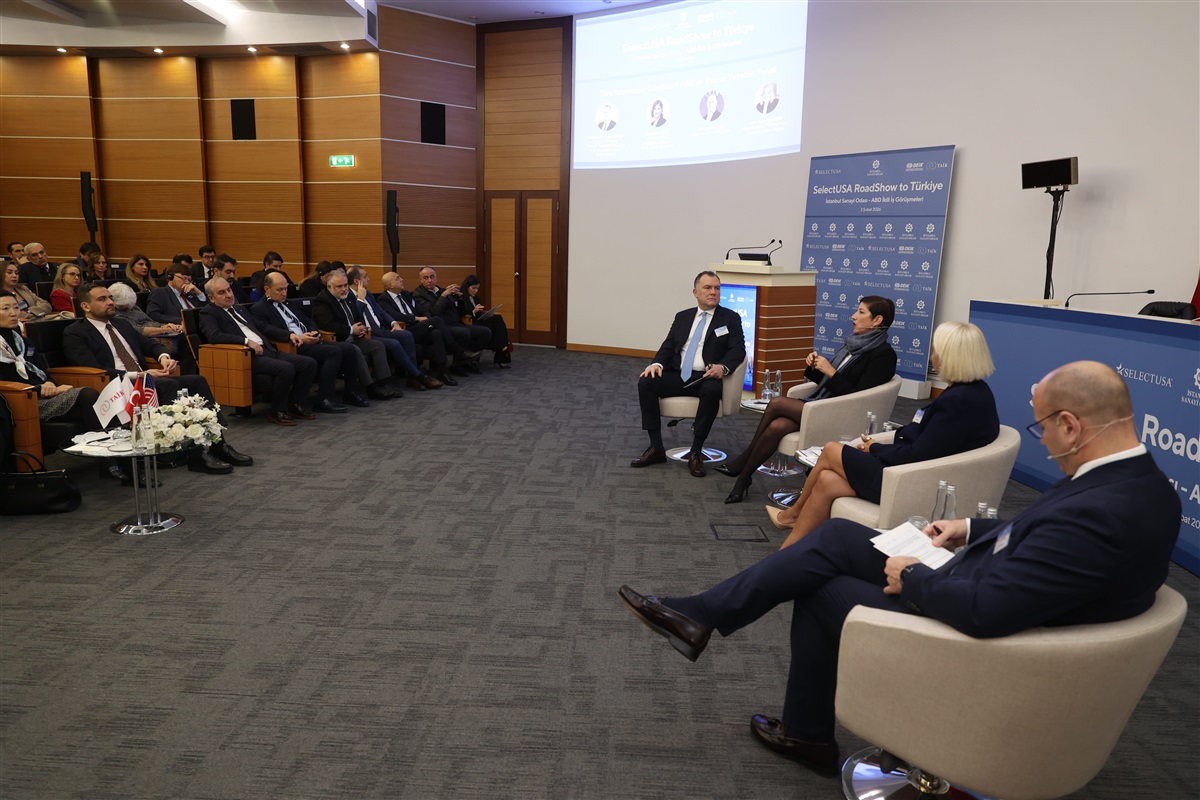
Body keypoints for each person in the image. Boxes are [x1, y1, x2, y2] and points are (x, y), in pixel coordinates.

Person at [618, 360, 1181, 777]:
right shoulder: (1140, 486)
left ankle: (805, 730)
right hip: (993, 586)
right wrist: (971, 528)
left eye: (1043, 430)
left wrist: (913, 577)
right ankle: (702, 614)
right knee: (838, 537)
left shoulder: (1100, 512)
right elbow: (1050, 538)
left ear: (1071, 426)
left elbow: (988, 612)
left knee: (822, 588)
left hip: (988, 641)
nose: (1046, 443)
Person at [770, 321, 999, 547]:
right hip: (912, 472)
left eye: (936, 352)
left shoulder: (957, 401)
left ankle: (793, 514)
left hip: (908, 481)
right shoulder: (974, 391)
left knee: (831, 450)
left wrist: (876, 449)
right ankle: (789, 552)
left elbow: (919, 454)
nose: (932, 357)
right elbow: (929, 442)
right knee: (827, 480)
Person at [715, 296, 897, 504]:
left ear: (877, 320)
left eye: (861, 312)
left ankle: (743, 460)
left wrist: (831, 372)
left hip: (842, 414)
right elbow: (828, 384)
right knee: (776, 426)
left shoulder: (884, 355)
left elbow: (859, 398)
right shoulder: (852, 345)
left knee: (776, 403)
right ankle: (743, 479)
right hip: (823, 405)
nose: (853, 316)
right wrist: (815, 367)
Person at [62, 282, 253, 475]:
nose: (110, 302)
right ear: (85, 306)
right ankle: (189, 454)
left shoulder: (121, 324)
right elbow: (93, 369)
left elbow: (150, 345)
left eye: (110, 297)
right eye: (102, 299)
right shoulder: (75, 332)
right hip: (117, 385)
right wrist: (140, 375)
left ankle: (218, 444)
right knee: (169, 385)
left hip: (145, 379)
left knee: (197, 381)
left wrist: (163, 358)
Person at [0, 290, 127, 479]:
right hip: (23, 401)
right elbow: (5, 383)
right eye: (5, 308)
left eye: (16, 307)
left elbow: (43, 372)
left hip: (47, 394)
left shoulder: (24, 342)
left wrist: (50, 384)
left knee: (98, 403)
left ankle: (116, 458)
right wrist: (39, 389)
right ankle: (112, 461)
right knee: (88, 395)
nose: (13, 313)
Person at [632, 270, 746, 478]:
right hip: (679, 374)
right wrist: (656, 363)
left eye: (717, 288)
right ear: (695, 292)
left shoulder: (730, 318)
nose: (713, 292)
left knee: (712, 390)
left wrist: (722, 367)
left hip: (705, 377)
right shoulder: (683, 317)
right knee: (646, 382)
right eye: (707, 288)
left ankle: (696, 451)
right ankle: (656, 447)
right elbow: (668, 346)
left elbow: (737, 350)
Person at [198, 276, 319, 427]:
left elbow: (262, 327)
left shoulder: (238, 308)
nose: (228, 295)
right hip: (245, 355)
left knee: (308, 363)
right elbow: (214, 336)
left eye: (229, 290)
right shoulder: (208, 313)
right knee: (286, 368)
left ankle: (295, 404)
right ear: (211, 298)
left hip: (267, 349)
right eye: (222, 292)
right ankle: (277, 411)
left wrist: (289, 335)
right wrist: (246, 342)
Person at [250, 269, 363, 412]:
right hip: (292, 345)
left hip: (309, 340)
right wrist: (292, 335)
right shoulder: (259, 309)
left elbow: (308, 320)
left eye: (286, 289)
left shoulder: (288, 303)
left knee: (349, 349)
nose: (284, 293)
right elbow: (266, 329)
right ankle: (323, 399)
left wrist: (313, 331)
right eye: (280, 290)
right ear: (267, 289)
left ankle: (350, 393)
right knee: (334, 352)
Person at [347, 266, 441, 391]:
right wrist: (360, 299)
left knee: (406, 335)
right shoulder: (348, 297)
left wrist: (393, 323)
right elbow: (354, 316)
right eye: (365, 277)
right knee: (394, 343)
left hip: (381, 330)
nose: (368, 279)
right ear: (357, 281)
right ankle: (419, 376)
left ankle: (412, 377)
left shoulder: (368, 294)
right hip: (367, 334)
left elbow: (381, 312)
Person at [311, 270, 398, 401]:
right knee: (355, 350)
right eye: (339, 286)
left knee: (378, 346)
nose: (344, 289)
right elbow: (327, 324)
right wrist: (352, 330)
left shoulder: (349, 296)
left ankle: (383, 384)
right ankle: (371, 388)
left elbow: (358, 315)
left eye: (345, 285)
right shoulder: (322, 300)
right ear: (329, 287)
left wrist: (361, 327)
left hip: (355, 337)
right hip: (338, 340)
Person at [378, 271, 461, 385]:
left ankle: (442, 371)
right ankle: (457, 350)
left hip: (419, 327)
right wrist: (416, 318)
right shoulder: (383, 299)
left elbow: (422, 309)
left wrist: (427, 319)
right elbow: (395, 316)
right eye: (397, 278)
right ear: (390, 285)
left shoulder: (406, 294)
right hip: (405, 330)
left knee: (436, 332)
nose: (402, 279)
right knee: (436, 320)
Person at [413, 267, 488, 372]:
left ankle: (470, 362)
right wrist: (443, 296)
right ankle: (458, 364)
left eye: (432, 277)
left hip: (455, 323)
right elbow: (433, 313)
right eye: (425, 278)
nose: (429, 280)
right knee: (464, 333)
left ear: (436, 277)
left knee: (485, 332)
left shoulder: (441, 290)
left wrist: (460, 297)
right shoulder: (418, 294)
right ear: (421, 280)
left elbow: (460, 311)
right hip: (441, 326)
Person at [457, 275, 512, 368]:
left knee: (497, 318)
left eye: (477, 288)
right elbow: (462, 314)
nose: (476, 291)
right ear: (467, 287)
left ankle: (503, 347)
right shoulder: (461, 298)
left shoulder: (475, 298)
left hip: (478, 320)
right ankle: (503, 349)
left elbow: (479, 314)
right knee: (494, 328)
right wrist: (473, 311)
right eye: (473, 288)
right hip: (469, 322)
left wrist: (485, 313)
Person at [109, 282, 182, 337]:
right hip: (149, 338)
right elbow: (139, 331)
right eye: (123, 306)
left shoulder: (131, 305)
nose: (127, 307)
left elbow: (149, 321)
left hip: (159, 331)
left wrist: (165, 325)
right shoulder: (116, 314)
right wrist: (167, 330)